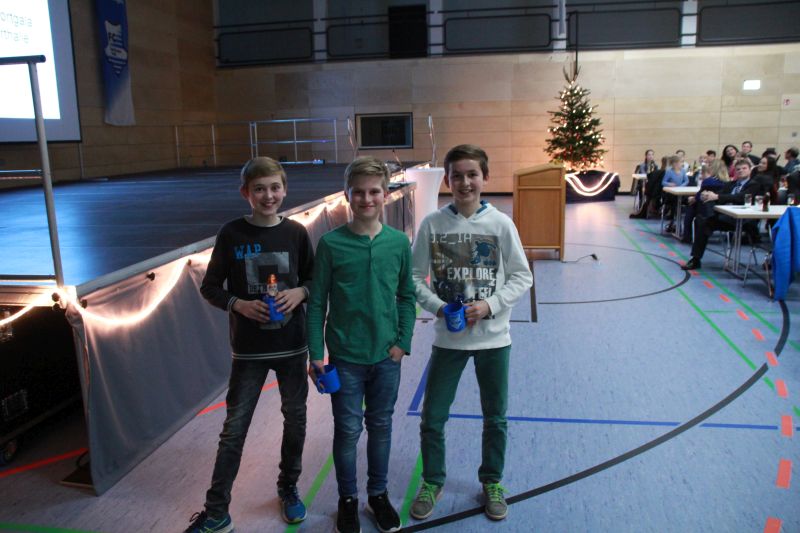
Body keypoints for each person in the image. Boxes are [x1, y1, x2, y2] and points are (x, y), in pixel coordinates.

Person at [186, 157, 315, 532]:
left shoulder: (296, 233)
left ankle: (288, 487)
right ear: (246, 193)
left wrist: (301, 292)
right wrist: (237, 304)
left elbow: (314, 279)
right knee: (234, 430)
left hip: (292, 348)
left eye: (275, 187)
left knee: (296, 421)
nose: (268, 195)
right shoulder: (231, 234)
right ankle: (216, 511)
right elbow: (210, 287)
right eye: (259, 189)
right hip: (249, 352)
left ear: (285, 189)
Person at [409, 144, 533, 522]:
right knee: (433, 416)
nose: (465, 182)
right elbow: (412, 277)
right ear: (447, 180)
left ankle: (492, 481)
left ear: (485, 178)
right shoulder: (432, 224)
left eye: (472, 174)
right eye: (457, 175)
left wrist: (490, 305)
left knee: (495, 416)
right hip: (449, 340)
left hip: (494, 340)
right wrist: (438, 306)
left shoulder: (500, 224)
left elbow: (522, 276)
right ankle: (433, 480)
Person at [306, 156, 415, 533]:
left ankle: (378, 495)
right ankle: (348, 499)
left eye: (374, 192)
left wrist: (403, 342)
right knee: (348, 430)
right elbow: (317, 302)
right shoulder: (330, 244)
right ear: (347, 195)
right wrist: (315, 353)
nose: (367, 199)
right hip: (346, 359)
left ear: (386, 194)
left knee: (381, 426)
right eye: (359, 192)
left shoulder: (398, 243)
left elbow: (406, 296)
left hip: (387, 357)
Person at [681, 158, 764, 270]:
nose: (741, 171)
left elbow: (740, 197)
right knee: (702, 222)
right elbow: (719, 195)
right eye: (738, 169)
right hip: (728, 217)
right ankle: (695, 259)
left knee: (705, 214)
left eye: (744, 168)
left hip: (745, 220)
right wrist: (707, 195)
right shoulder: (730, 184)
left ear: (750, 170)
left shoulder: (754, 184)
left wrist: (717, 196)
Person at [682, 160, 729, 242]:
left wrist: (693, 199)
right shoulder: (728, 183)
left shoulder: (708, 181)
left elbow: (700, 195)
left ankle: (687, 235)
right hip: (721, 210)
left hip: (705, 209)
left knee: (691, 207)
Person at [661, 154, 689, 231]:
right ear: (674, 163)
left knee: (685, 200)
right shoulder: (669, 172)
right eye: (680, 162)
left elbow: (686, 181)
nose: (681, 164)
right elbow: (663, 182)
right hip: (671, 193)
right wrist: (669, 184)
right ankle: (673, 220)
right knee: (674, 202)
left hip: (680, 191)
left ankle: (681, 221)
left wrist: (681, 186)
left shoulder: (683, 171)